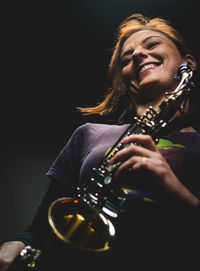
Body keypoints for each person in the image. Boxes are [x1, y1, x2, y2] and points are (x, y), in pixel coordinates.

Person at [0, 13, 200, 271]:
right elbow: (39, 230)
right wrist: (17, 243)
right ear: (127, 82)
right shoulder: (89, 134)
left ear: (189, 64)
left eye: (151, 45)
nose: (139, 54)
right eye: (127, 59)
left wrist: (174, 191)